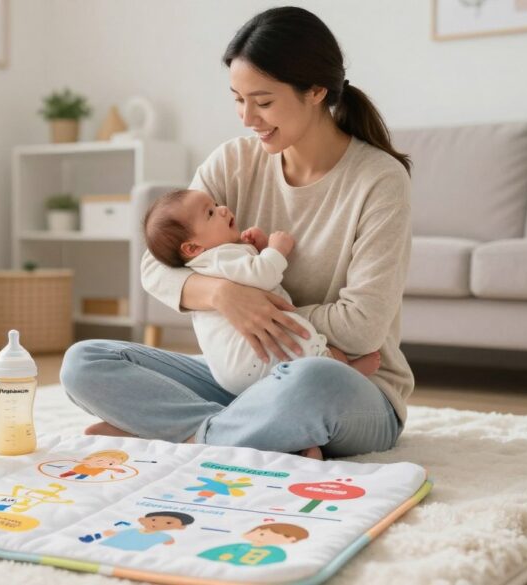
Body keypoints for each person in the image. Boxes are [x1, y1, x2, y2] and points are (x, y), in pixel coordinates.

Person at [60, 6, 413, 459]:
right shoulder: (233, 161)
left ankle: (188, 435)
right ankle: (244, 433)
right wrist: (225, 297)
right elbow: (157, 264)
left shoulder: (379, 180)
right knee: (84, 362)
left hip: (347, 386)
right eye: (237, 99)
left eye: (263, 102)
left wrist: (264, 314)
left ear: (316, 91)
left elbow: (362, 328)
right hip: (243, 379)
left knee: (310, 383)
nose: (247, 118)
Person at [143, 187, 383, 396]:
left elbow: (247, 277)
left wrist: (251, 248)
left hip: (231, 370)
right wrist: (276, 249)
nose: (223, 209)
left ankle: (303, 442)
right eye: (210, 213)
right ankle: (347, 374)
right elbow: (263, 275)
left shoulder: (206, 264)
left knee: (285, 394)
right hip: (255, 356)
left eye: (215, 205)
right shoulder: (220, 257)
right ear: (193, 247)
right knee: (322, 357)